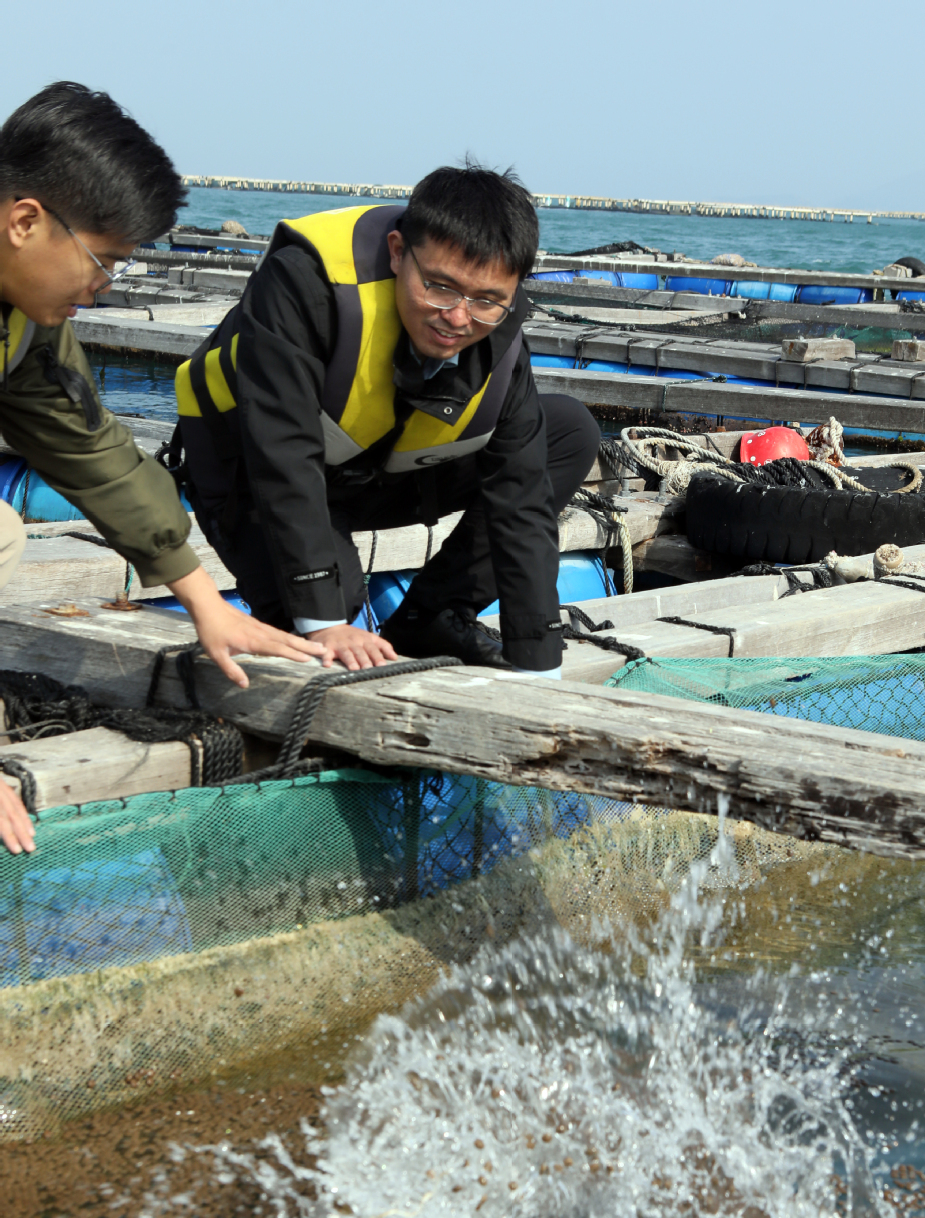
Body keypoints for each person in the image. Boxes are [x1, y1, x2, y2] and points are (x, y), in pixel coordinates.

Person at [0, 82, 318, 856]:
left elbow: (94, 448)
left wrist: (204, 599)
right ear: (24, 221)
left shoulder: (26, 319)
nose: (105, 287)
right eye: (102, 261)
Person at [171, 163, 599, 677]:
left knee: (568, 430)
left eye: (487, 300)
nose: (459, 318)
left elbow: (522, 499)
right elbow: (280, 452)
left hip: (374, 470)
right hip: (253, 474)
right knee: (333, 611)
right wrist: (323, 618)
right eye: (440, 287)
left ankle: (433, 615)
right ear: (398, 252)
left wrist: (539, 665)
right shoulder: (304, 283)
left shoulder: (499, 334)